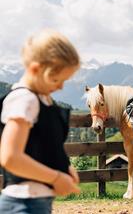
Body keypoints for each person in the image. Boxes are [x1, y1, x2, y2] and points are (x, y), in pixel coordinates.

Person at [0, 29, 81, 213]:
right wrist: (56, 178)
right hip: (23, 205)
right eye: (55, 79)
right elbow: (10, 157)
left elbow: (43, 144)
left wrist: (65, 167)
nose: (60, 86)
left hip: (35, 204)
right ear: (36, 69)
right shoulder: (24, 100)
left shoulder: (41, 99)